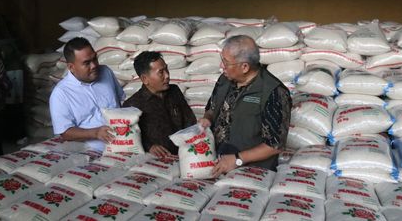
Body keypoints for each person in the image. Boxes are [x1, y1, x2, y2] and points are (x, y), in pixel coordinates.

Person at [198, 35, 291, 176]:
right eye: (222, 60)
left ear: (245, 67)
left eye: (226, 62)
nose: (221, 67)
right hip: (217, 160)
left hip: (251, 171)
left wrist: (237, 159)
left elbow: (275, 145)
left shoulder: (273, 92)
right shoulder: (225, 80)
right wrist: (207, 119)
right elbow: (211, 108)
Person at [49, 37, 125, 152]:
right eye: (86, 63)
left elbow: (119, 102)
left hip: (124, 141)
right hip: (92, 149)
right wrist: (96, 133)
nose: (94, 65)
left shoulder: (106, 72)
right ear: (71, 67)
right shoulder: (61, 93)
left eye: (94, 59)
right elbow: (65, 132)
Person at [123, 51, 196, 157]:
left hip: (185, 154)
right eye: (161, 72)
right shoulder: (132, 105)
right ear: (145, 79)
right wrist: (149, 146)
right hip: (157, 161)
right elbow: (128, 139)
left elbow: (190, 120)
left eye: (166, 69)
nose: (167, 75)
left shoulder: (174, 91)